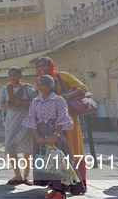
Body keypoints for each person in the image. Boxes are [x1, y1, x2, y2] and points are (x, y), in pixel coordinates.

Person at [22, 75, 86, 199]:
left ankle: (61, 191)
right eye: (38, 84)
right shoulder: (35, 101)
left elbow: (62, 118)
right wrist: (37, 137)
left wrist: (56, 135)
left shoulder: (59, 100)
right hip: (40, 134)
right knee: (45, 161)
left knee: (58, 161)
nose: (39, 87)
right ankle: (53, 187)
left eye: (42, 85)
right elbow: (31, 119)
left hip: (55, 133)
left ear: (51, 86)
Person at [36, 56, 89, 187]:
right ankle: (57, 182)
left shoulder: (62, 76)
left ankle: (78, 181)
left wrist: (65, 96)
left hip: (66, 118)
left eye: (44, 65)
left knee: (72, 148)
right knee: (54, 150)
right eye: (39, 66)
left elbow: (83, 88)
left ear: (51, 65)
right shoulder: (40, 81)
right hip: (49, 123)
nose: (41, 68)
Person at [0, 67, 37, 185]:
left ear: (21, 76)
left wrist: (23, 103)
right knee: (10, 146)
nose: (12, 78)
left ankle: (26, 175)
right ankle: (17, 175)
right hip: (11, 121)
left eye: (15, 75)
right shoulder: (5, 89)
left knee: (27, 148)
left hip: (25, 121)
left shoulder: (28, 89)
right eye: (10, 75)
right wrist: (5, 106)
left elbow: (37, 104)